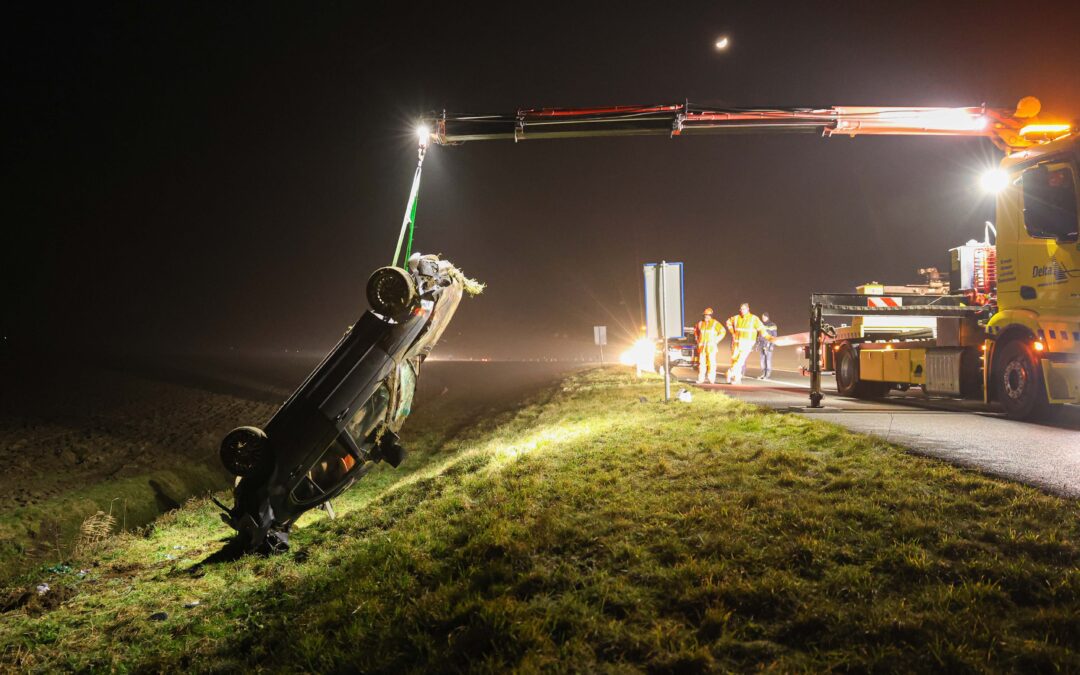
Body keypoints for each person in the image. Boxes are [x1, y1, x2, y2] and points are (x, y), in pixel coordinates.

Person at [725, 303, 771, 384]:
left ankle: (730, 372)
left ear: (748, 309)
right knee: (735, 361)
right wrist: (732, 332)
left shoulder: (753, 318)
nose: (742, 310)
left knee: (740, 361)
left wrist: (768, 337)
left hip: (747, 344)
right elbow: (728, 322)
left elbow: (761, 329)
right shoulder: (736, 318)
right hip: (736, 344)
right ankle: (736, 379)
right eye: (741, 309)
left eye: (744, 309)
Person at [694, 307, 726, 384]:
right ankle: (701, 379)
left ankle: (711, 379)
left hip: (711, 347)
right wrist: (697, 341)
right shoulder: (700, 323)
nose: (706, 316)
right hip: (702, 347)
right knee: (701, 364)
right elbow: (696, 332)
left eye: (708, 315)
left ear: (711, 315)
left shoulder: (715, 323)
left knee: (711, 363)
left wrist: (716, 340)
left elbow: (723, 331)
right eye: (705, 315)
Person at [756, 312, 778, 379]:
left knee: (767, 360)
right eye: (762, 317)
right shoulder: (761, 325)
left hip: (768, 344)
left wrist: (771, 345)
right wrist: (757, 344)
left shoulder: (772, 325)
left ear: (767, 317)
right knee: (762, 360)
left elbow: (774, 336)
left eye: (764, 317)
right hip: (761, 344)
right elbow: (758, 335)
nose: (763, 318)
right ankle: (763, 374)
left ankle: (767, 375)